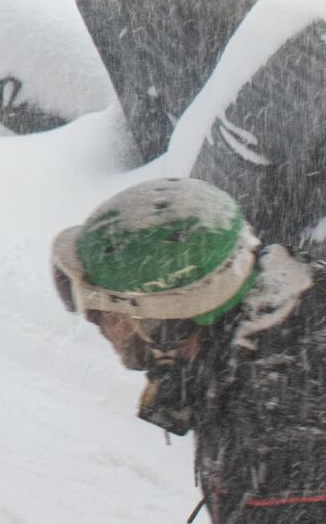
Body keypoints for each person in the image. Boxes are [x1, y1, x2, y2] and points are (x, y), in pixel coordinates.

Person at [50, 177, 326, 521]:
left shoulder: (279, 441)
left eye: (107, 311)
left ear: (168, 323)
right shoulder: (276, 321)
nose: (96, 323)